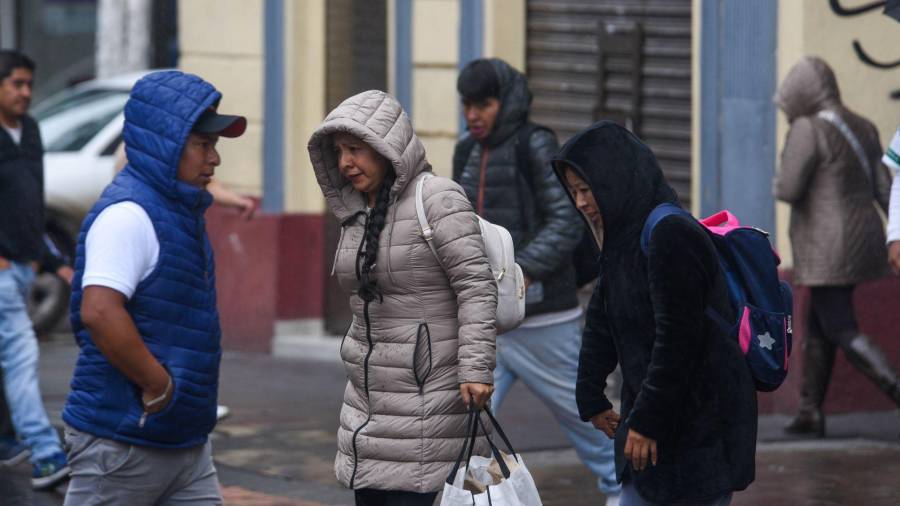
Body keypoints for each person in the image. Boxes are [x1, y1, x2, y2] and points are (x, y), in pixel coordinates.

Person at [61, 70, 246, 504]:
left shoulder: (177, 211)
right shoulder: (128, 215)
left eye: (214, 146)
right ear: (167, 143)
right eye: (203, 145)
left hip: (184, 443)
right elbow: (99, 311)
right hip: (122, 442)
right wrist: (159, 386)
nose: (214, 160)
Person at [307, 89, 497, 506]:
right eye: (339, 152)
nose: (345, 163)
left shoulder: (437, 198)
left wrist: (476, 368)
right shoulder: (358, 212)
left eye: (355, 149)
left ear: (386, 148)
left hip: (429, 402)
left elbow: (476, 284)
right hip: (367, 406)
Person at [553, 121, 757, 505]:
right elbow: (602, 316)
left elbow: (679, 341)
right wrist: (591, 396)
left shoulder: (671, 234)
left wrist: (648, 422)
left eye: (586, 190)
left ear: (613, 180)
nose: (580, 203)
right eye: (573, 192)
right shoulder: (620, 235)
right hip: (654, 428)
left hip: (700, 431)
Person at [453, 58, 620, 503]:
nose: (473, 114)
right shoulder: (466, 151)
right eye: (467, 104)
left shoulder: (535, 144)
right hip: (485, 327)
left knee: (594, 429)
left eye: (483, 104)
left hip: (545, 321)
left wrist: (515, 274)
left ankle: (630, 494)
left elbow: (566, 222)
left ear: (505, 102)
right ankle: (478, 500)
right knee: (460, 432)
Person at [774, 57, 900, 437]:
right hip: (864, 239)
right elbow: (884, 185)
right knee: (819, 322)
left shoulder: (806, 128)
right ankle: (811, 410)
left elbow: (787, 188)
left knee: (841, 324)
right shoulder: (862, 124)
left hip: (826, 246)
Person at [0, 49, 74, 489]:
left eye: (29, 84)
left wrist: (53, 261)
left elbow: (31, 203)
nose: (26, 93)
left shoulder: (29, 130)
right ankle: (47, 454)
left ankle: (8, 441)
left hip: (26, 267)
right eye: (17, 84)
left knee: (11, 361)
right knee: (22, 357)